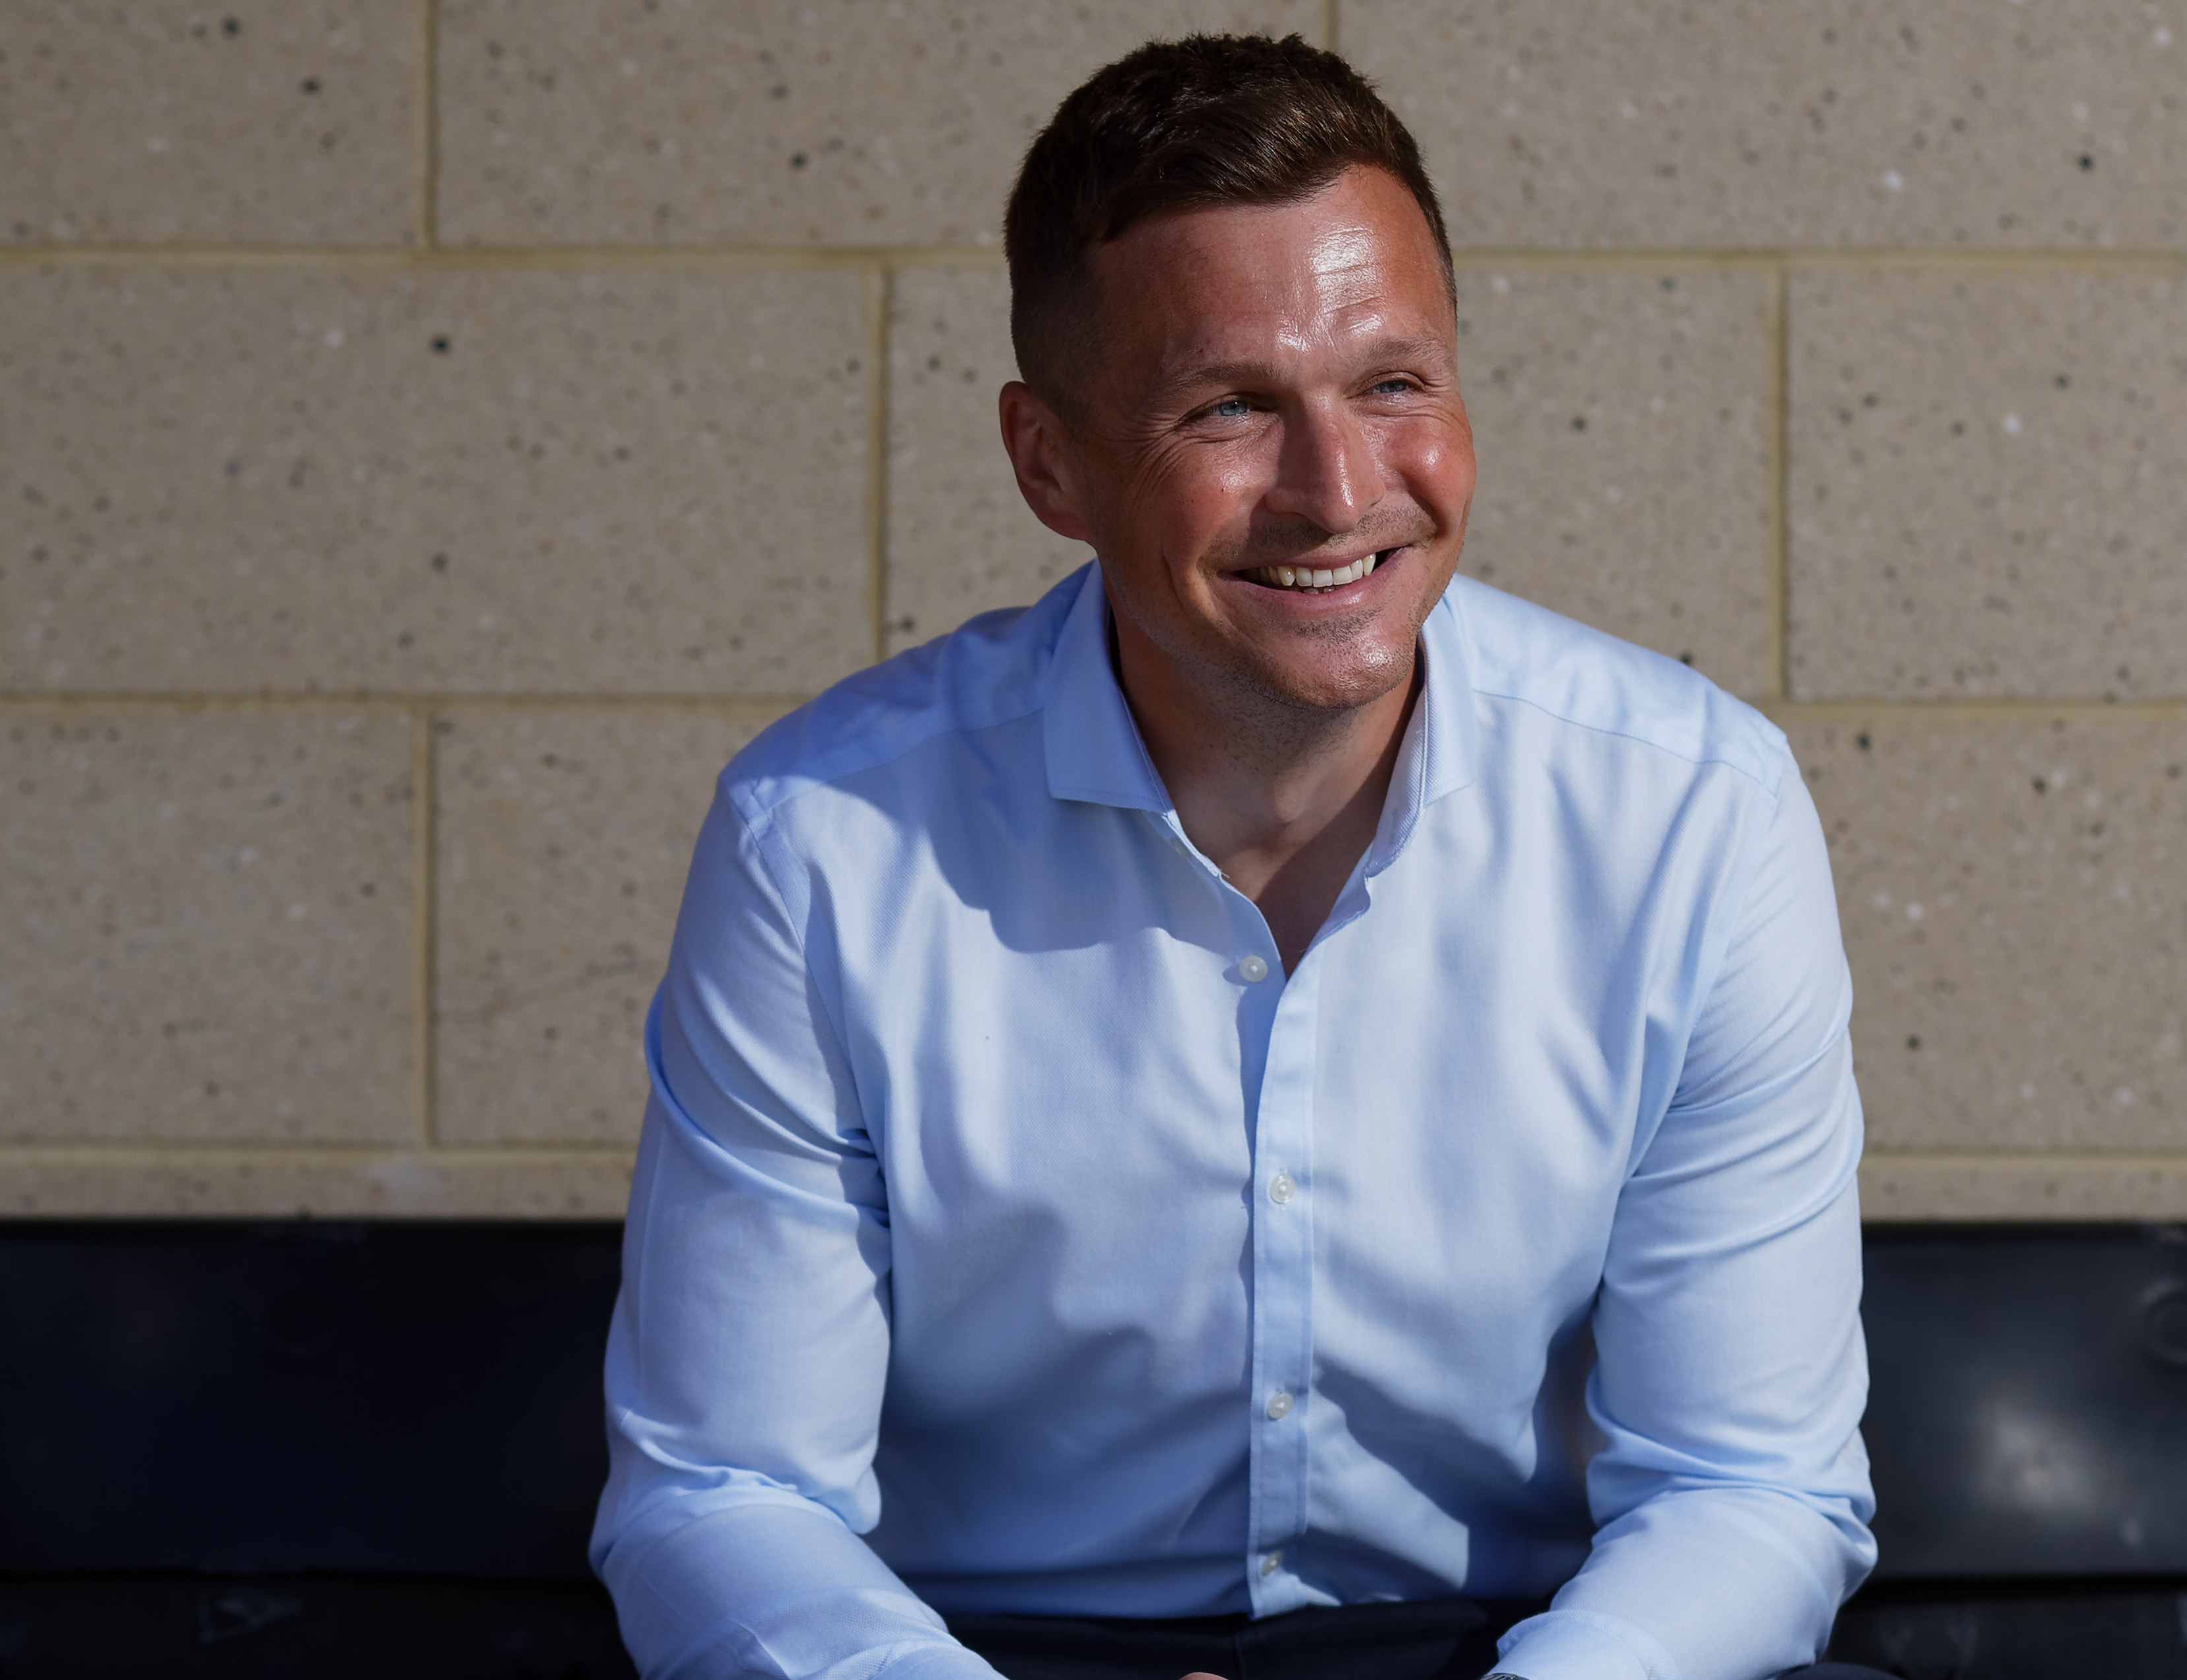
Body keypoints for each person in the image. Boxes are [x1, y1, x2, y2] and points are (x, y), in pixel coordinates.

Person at [590, 34, 1882, 1680]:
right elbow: (724, 1488)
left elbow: (1743, 1482)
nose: (1339, 491)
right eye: (1229, 408)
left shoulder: (1692, 814)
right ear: (1047, 460)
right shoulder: (822, 847)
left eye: (1393, 382)